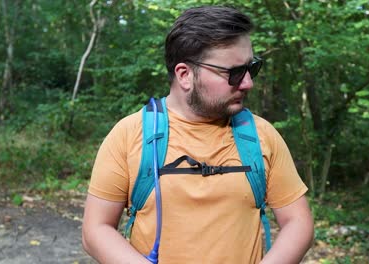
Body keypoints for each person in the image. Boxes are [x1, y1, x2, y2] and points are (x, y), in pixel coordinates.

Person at [82, 5, 314, 264]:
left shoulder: (261, 135)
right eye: (234, 73)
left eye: (252, 68)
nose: (248, 82)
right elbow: (96, 229)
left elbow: (298, 222)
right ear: (185, 75)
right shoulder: (129, 135)